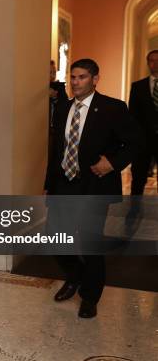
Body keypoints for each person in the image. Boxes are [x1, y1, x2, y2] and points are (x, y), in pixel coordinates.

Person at [44, 59, 141, 318]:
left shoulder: (113, 108)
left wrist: (112, 162)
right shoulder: (63, 108)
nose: (76, 82)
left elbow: (134, 143)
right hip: (64, 183)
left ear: (95, 79)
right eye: (73, 77)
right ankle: (75, 276)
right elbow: (56, 150)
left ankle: (90, 297)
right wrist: (48, 185)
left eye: (82, 77)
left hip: (94, 185)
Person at [129, 50, 158, 196]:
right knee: (138, 178)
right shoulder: (138, 87)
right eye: (152, 60)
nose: (156, 63)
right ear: (148, 63)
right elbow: (132, 115)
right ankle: (134, 208)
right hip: (143, 142)